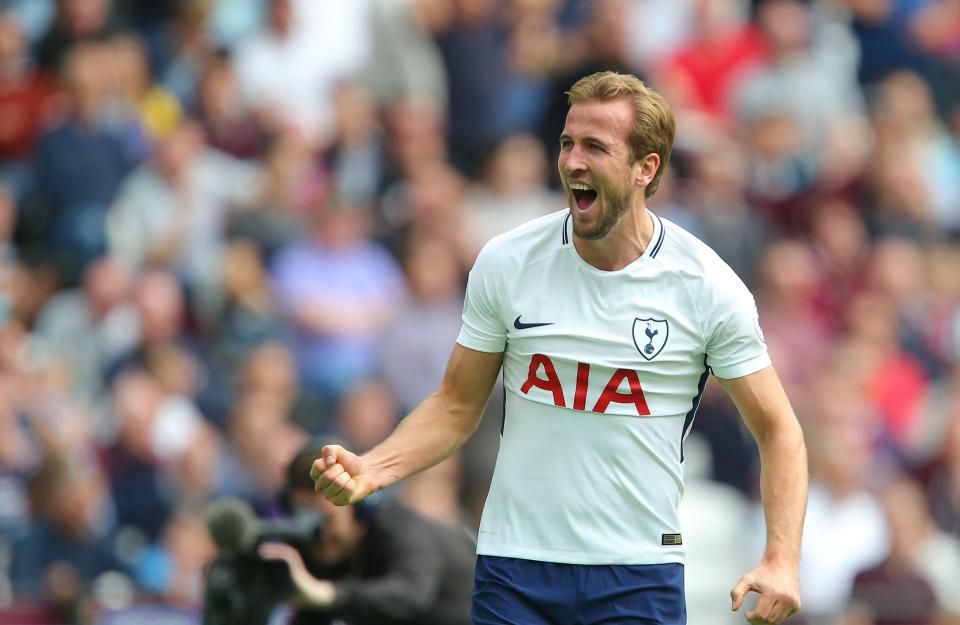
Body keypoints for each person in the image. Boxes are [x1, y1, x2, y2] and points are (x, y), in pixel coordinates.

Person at [311, 71, 808, 625]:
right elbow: (455, 405)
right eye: (568, 143)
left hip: (637, 572)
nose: (572, 161)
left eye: (596, 146)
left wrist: (782, 559)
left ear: (646, 168)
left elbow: (778, 429)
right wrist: (374, 468)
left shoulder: (705, 285)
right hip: (515, 566)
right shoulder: (507, 262)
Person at [259, 443, 476, 625]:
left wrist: (328, 594)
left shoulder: (403, 528)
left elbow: (411, 595)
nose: (319, 534)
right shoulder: (323, 549)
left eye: (325, 519)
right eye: (302, 520)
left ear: (358, 507)